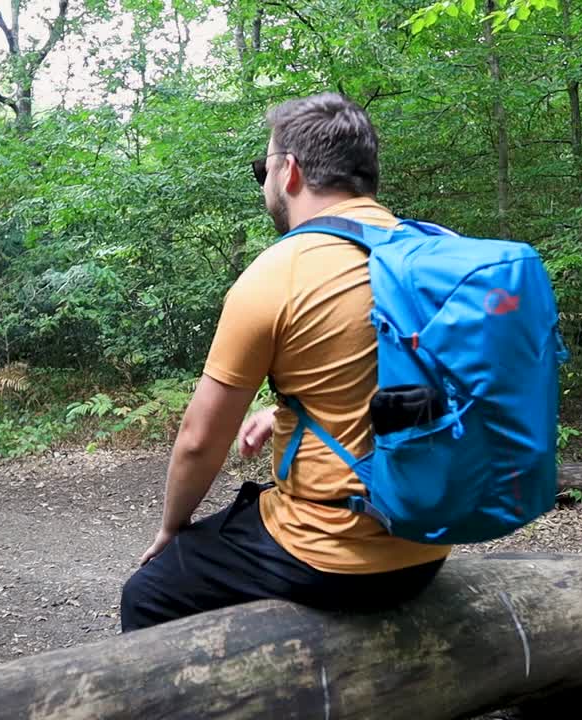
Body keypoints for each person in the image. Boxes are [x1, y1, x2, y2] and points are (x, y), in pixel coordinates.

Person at [119, 93, 449, 632]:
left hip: (333, 557)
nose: (265, 183)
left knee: (150, 591)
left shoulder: (280, 271)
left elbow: (200, 438)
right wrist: (283, 414)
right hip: (428, 545)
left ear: (289, 172)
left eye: (262, 169)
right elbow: (415, 385)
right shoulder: (427, 257)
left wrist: (171, 528)